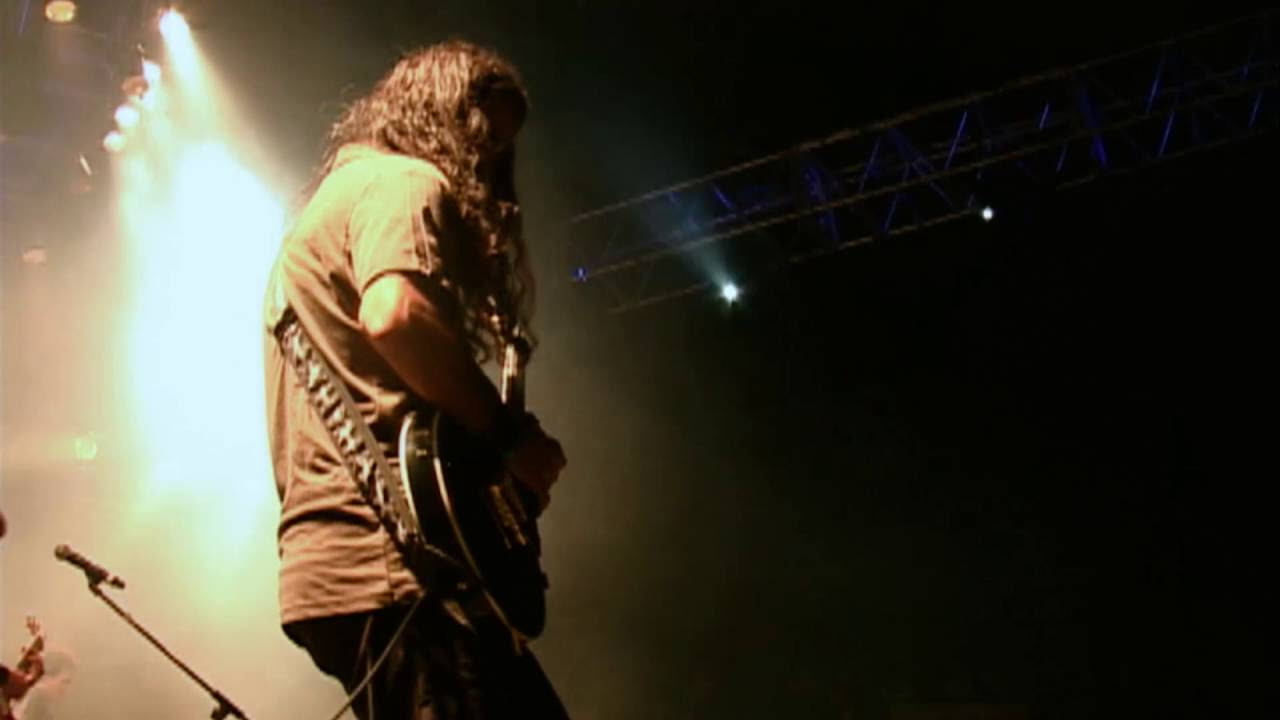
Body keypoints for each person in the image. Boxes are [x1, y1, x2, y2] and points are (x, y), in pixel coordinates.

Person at [262, 40, 568, 719]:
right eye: (487, 137)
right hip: (398, 564)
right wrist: (509, 437)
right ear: (445, 116)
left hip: (348, 568)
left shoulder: (326, 213)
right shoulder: (402, 182)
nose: (490, 165)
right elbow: (396, 316)